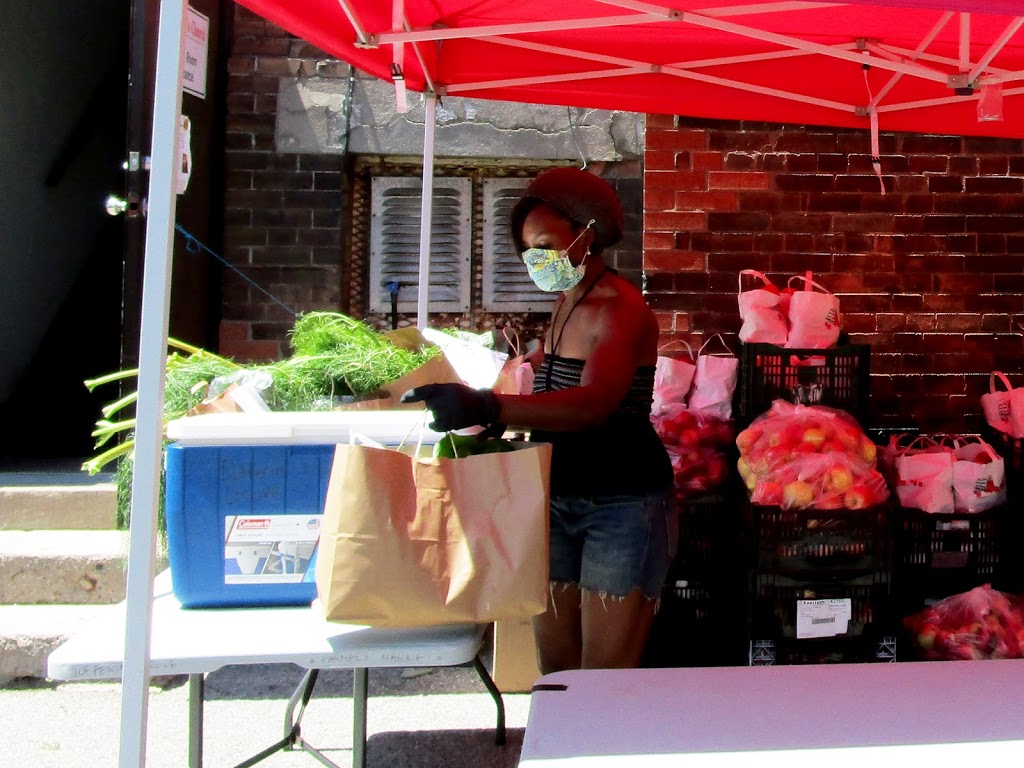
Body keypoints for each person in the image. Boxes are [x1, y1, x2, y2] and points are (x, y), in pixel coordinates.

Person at [402, 167, 673, 673]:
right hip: (555, 493)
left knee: (603, 677)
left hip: (622, 502)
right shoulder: (566, 302)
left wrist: (490, 406)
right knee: (557, 668)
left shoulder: (622, 310)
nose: (537, 259)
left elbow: (593, 402)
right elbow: (546, 376)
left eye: (547, 243)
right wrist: (504, 379)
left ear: (587, 235)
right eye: (529, 249)